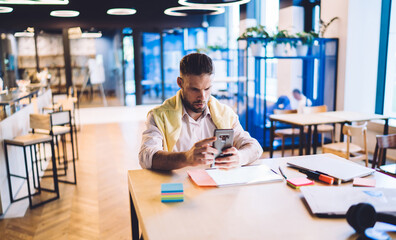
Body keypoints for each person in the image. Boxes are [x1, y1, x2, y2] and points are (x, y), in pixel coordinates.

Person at [139, 53, 263, 170]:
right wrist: (186, 158)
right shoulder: (159, 116)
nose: (202, 97)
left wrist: (240, 157)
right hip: (178, 188)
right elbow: (146, 156)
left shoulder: (225, 114)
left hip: (216, 188)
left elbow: (255, 148)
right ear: (180, 83)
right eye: (194, 89)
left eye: (207, 88)